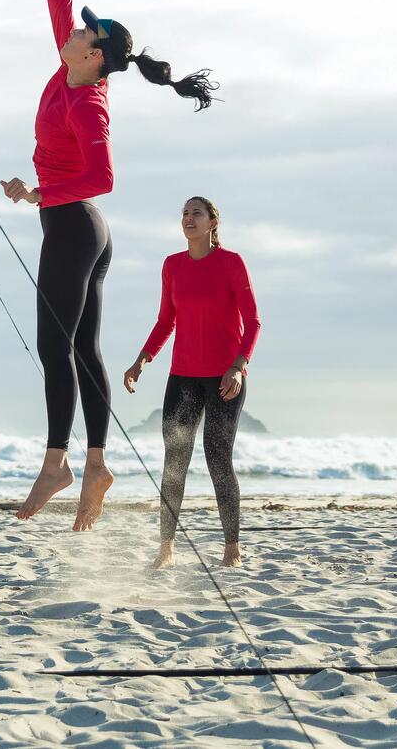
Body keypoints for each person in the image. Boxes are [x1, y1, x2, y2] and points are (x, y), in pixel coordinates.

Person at [1, 0, 218, 531]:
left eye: (83, 32)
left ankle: (57, 462)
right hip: (77, 229)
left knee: (52, 346)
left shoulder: (89, 102)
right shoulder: (68, 69)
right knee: (85, 351)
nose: (70, 28)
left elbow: (104, 176)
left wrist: (43, 194)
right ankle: (96, 465)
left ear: (93, 55)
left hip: (75, 229)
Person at [124, 196, 260, 568]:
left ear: (213, 222)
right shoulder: (172, 266)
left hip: (223, 379)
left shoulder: (231, 263)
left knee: (218, 459)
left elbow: (253, 322)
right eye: (184, 213)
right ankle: (166, 548)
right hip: (182, 377)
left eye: (196, 213)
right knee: (175, 461)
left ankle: (231, 548)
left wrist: (238, 365)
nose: (188, 218)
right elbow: (166, 321)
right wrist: (142, 360)